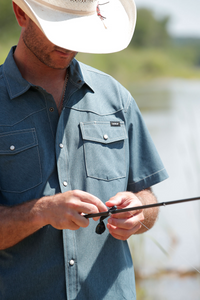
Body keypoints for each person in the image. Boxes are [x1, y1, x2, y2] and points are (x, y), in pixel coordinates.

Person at [0, 0, 168, 299]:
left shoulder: (117, 98)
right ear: (20, 14)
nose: (70, 44)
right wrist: (41, 212)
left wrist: (138, 212)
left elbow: (148, 200)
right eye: (60, 29)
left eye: (79, 31)